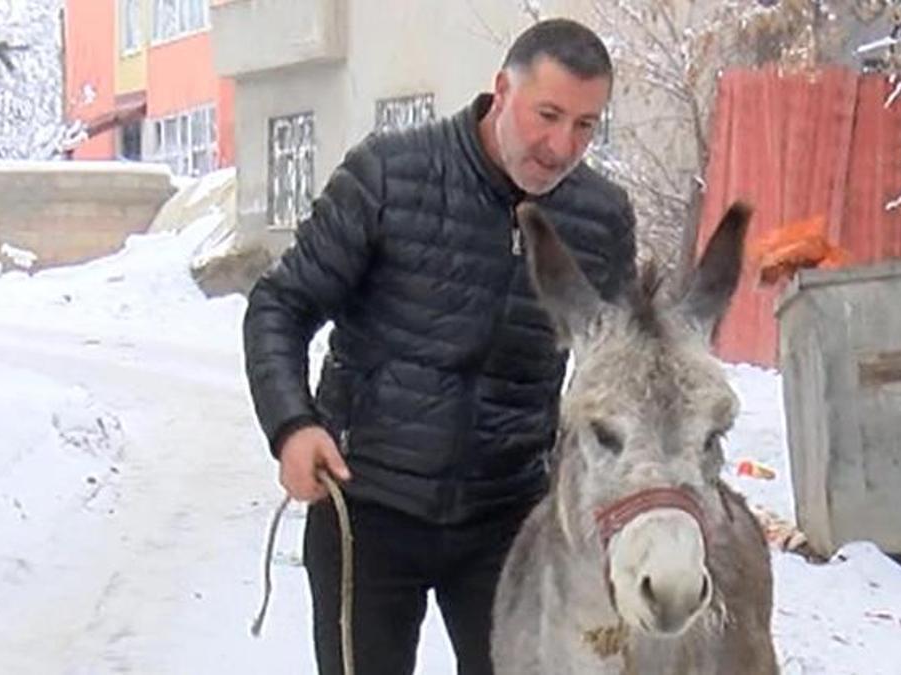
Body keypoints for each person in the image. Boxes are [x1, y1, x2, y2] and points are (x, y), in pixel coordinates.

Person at [244, 18, 636, 675]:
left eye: (585, 125)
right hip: (365, 510)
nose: (560, 145)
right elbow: (280, 305)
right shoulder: (390, 175)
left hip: (508, 520)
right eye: (547, 114)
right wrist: (293, 425)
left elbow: (624, 372)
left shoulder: (599, 219)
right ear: (501, 91)